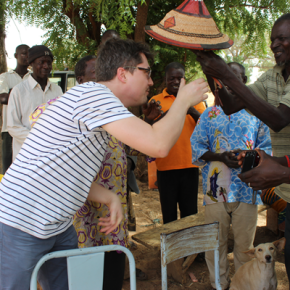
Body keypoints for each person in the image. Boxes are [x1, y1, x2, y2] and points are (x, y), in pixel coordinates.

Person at [0, 38, 208, 290]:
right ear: (123, 74)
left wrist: (109, 198)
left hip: (57, 225)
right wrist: (183, 101)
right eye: (147, 73)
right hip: (22, 222)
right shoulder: (95, 96)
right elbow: (158, 144)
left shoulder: (97, 102)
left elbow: (68, 173)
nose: (152, 82)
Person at [195, 13, 290, 283]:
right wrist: (210, 69)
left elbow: (279, 119)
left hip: (256, 189)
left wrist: (226, 74)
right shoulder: (273, 76)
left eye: (282, 38)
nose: (274, 45)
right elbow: (232, 103)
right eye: (272, 40)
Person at [190, 62, 272, 290]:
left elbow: (267, 149)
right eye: (225, 80)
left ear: (244, 82)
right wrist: (219, 156)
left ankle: (245, 284)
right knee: (214, 244)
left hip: (248, 190)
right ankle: (220, 285)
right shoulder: (209, 114)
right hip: (216, 191)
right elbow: (196, 145)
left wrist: (250, 156)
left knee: (245, 247)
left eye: (235, 79)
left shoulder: (257, 115)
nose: (229, 85)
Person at [148, 62, 206, 224]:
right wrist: (170, 113)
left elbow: (206, 125)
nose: (175, 81)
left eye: (179, 78)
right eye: (171, 78)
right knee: (169, 215)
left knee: (190, 213)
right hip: (166, 166)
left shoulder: (196, 100)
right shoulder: (156, 100)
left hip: (190, 166)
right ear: (165, 80)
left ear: (184, 80)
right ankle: (171, 249)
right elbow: (149, 128)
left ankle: (189, 248)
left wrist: (190, 108)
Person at [7, 45, 63, 161]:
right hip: (26, 157)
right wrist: (38, 138)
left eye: (49, 62)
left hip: (50, 156)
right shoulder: (19, 91)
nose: (46, 66)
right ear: (31, 64)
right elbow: (13, 126)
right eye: (41, 62)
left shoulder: (57, 90)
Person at [0, 44, 30, 173]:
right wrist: (23, 94)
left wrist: (12, 93)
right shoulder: (5, 77)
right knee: (8, 167)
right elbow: (3, 98)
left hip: (28, 129)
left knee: (26, 166)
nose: (26, 56)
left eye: (28, 54)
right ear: (16, 56)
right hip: (9, 129)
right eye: (23, 53)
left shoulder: (33, 77)